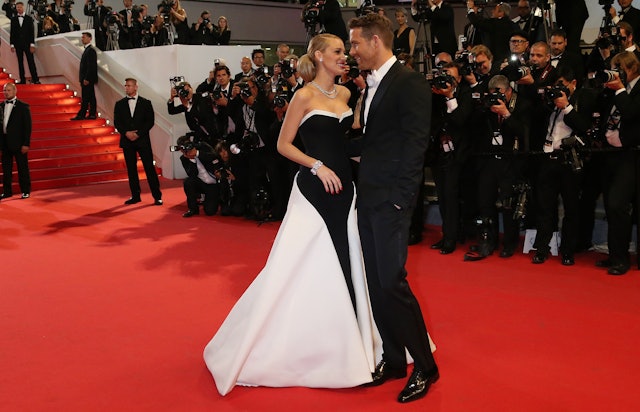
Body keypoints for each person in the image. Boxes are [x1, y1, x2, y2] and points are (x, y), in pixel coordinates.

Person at [203, 33, 381, 396]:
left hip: (346, 189)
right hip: (315, 189)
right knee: (302, 264)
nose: (344, 56)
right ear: (319, 56)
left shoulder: (346, 93)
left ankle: (355, 339)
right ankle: (311, 345)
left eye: (345, 51)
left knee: (347, 260)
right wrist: (317, 166)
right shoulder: (303, 96)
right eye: (337, 51)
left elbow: (344, 143)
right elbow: (283, 145)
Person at [348, 13, 438, 403]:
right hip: (368, 196)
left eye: (355, 43)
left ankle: (425, 366)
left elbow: (416, 144)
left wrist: (403, 197)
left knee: (392, 283)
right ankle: (394, 358)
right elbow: (375, 143)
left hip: (392, 200)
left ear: (375, 41)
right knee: (375, 284)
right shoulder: (370, 85)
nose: (352, 51)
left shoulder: (409, 82)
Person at [113, 78, 162, 205]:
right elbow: (117, 122)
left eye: (129, 85)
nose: (126, 88)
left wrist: (138, 134)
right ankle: (135, 196)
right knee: (131, 169)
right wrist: (126, 133)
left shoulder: (146, 103)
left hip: (142, 140)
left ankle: (157, 196)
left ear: (136, 87)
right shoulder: (119, 104)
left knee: (149, 168)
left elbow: (150, 121)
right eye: (125, 86)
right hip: (127, 141)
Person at [0, 82, 32, 200]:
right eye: (4, 90)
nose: (6, 92)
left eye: (8, 90)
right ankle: (7, 192)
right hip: (4, 143)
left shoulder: (23, 107)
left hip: (19, 144)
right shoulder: (1, 106)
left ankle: (25, 191)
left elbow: (27, 127)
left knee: (22, 168)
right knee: (6, 169)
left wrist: (26, 144)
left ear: (14, 91)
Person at [176, 135, 220, 217]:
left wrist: (197, 153)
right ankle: (193, 209)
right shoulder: (184, 158)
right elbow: (191, 175)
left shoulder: (203, 146)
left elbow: (214, 156)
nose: (187, 148)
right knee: (188, 182)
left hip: (214, 183)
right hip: (201, 183)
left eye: (188, 145)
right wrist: (192, 159)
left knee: (210, 211)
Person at [10, 2, 40, 85]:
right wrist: (12, 44)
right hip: (18, 44)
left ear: (23, 7)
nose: (19, 8)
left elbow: (31, 32)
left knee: (31, 62)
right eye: (17, 7)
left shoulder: (29, 18)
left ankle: (35, 79)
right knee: (20, 62)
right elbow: (12, 33)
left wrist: (32, 44)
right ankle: (22, 80)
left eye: (20, 7)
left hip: (27, 44)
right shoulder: (13, 19)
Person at [71, 32, 98, 121]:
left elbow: (91, 66)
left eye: (84, 37)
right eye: (82, 37)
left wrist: (87, 78)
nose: (82, 39)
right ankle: (91, 114)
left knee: (86, 97)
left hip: (87, 79)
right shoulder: (88, 50)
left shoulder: (90, 50)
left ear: (90, 38)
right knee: (90, 97)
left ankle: (82, 114)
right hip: (87, 79)